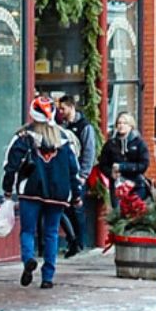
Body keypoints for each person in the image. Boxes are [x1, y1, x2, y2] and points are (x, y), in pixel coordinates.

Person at [2, 97, 82, 289]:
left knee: (28, 230)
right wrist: (77, 194)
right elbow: (74, 169)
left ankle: (29, 258)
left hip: (30, 190)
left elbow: (10, 165)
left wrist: (7, 189)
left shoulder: (23, 137)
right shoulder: (64, 137)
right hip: (58, 192)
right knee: (51, 233)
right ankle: (48, 276)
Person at [56, 95, 95, 257]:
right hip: (64, 174)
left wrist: (83, 175)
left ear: (71, 107)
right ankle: (73, 242)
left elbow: (89, 151)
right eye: (59, 109)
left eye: (63, 108)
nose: (60, 112)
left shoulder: (84, 127)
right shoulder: (61, 126)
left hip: (77, 175)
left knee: (77, 208)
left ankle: (80, 242)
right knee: (66, 208)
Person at [97, 110, 151, 199]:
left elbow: (144, 165)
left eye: (125, 123)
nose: (121, 125)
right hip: (117, 185)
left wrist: (122, 167)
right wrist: (111, 173)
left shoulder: (139, 143)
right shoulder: (110, 144)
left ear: (130, 126)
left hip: (136, 184)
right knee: (118, 212)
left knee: (135, 210)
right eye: (119, 123)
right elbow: (102, 164)